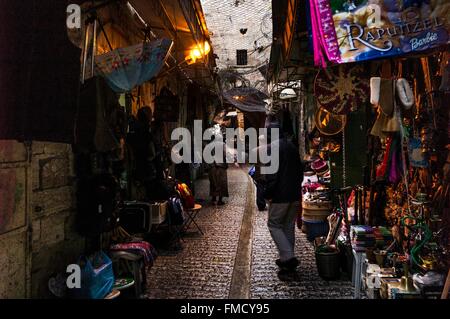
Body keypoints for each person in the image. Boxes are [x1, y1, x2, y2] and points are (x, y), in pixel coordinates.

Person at [263, 121, 303, 272]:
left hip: (280, 195)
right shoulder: (291, 146)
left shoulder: (272, 148)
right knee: (287, 226)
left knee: (274, 225)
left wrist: (269, 194)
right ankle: (288, 259)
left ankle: (288, 257)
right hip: (294, 194)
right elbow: (300, 170)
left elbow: (272, 175)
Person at [207, 133, 229, 205]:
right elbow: (225, 154)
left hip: (212, 167)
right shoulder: (222, 144)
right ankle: (220, 200)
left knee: (213, 182)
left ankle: (213, 199)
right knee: (221, 183)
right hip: (221, 167)